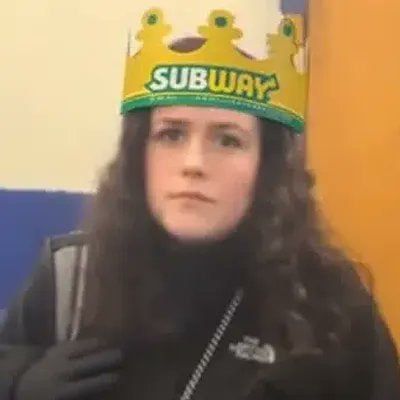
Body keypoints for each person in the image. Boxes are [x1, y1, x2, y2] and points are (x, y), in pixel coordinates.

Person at [1, 4, 399, 400]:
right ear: (139, 153)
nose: (194, 163)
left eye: (228, 140)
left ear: (267, 167)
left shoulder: (328, 304)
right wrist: (17, 383)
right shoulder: (71, 279)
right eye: (171, 135)